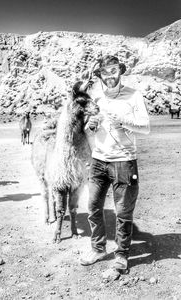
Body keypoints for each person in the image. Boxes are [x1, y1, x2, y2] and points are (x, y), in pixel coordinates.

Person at [80, 55, 150, 271]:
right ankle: (98, 248)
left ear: (120, 70)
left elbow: (145, 127)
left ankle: (121, 254)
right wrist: (90, 125)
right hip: (99, 160)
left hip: (124, 162)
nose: (109, 75)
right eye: (104, 72)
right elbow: (88, 129)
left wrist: (123, 122)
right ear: (100, 74)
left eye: (113, 70)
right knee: (92, 207)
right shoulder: (96, 97)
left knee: (122, 212)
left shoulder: (134, 95)